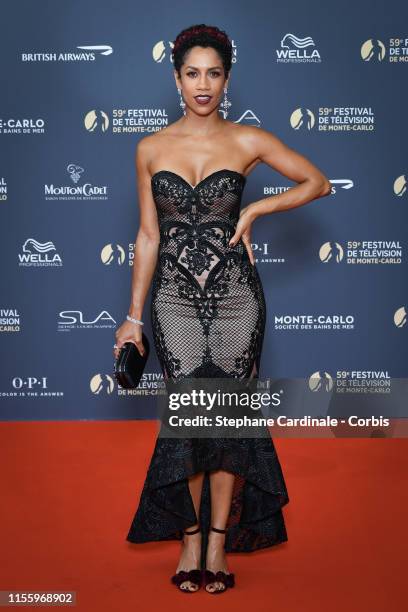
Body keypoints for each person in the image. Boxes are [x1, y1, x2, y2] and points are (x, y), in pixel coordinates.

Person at [114, 23, 331, 594]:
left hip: (236, 298)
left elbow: (317, 182)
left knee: (229, 419)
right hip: (174, 302)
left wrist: (256, 211)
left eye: (213, 73)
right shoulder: (150, 147)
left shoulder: (246, 140)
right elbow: (146, 236)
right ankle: (188, 541)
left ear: (226, 78)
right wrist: (133, 318)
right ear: (176, 77)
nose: (202, 84)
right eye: (192, 73)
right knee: (187, 422)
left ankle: (216, 543)